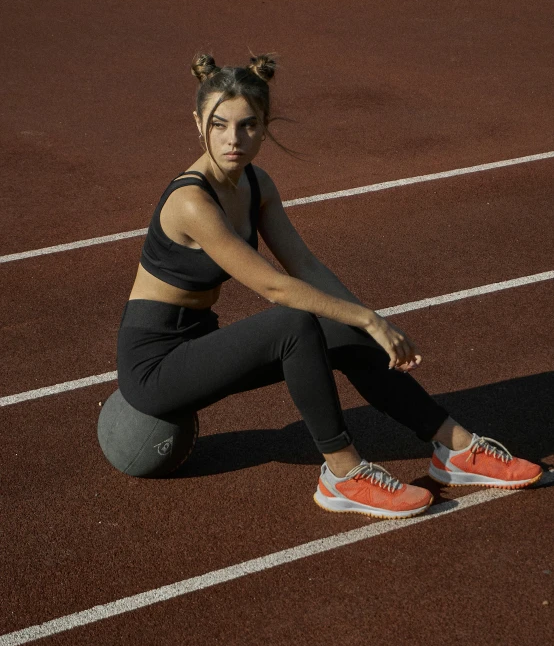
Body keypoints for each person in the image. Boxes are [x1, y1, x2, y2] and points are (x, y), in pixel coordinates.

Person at [117, 53, 542, 519]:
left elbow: (303, 263)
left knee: (338, 323)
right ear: (198, 123)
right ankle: (342, 474)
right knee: (294, 321)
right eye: (219, 125)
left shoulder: (256, 184)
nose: (232, 139)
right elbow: (276, 288)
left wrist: (366, 322)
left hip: (198, 339)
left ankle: (456, 450)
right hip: (155, 368)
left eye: (247, 126)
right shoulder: (191, 202)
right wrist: (367, 317)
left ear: (264, 126)